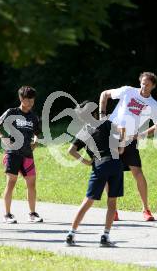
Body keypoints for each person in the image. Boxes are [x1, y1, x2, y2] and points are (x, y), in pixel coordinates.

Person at [98, 72, 157, 221]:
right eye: (143, 83)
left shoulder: (153, 104)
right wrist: (102, 118)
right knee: (110, 173)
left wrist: (141, 135)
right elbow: (104, 94)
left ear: (153, 86)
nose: (144, 86)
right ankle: (112, 210)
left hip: (130, 139)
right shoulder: (127, 91)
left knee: (137, 172)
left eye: (148, 84)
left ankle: (146, 209)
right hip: (112, 136)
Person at [66, 101, 125, 247]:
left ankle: (71, 234)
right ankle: (105, 236)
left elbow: (70, 150)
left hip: (99, 166)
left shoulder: (84, 131)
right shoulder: (107, 124)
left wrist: (86, 162)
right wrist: (123, 137)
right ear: (93, 112)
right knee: (112, 203)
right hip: (115, 164)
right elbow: (120, 150)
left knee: (87, 201)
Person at [0, 86, 42, 224]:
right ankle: (7, 214)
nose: (31, 102)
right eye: (28, 99)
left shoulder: (33, 116)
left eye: (32, 99)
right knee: (11, 183)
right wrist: (1, 136)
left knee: (32, 184)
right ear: (21, 99)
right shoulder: (11, 112)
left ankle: (32, 213)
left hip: (27, 154)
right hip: (13, 153)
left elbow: (37, 133)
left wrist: (36, 142)